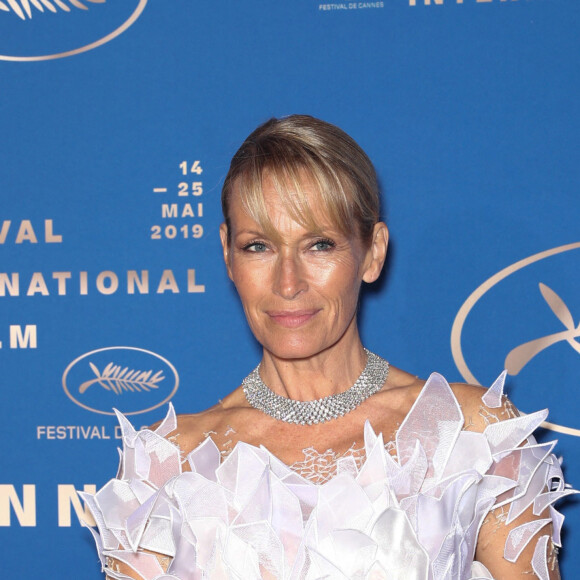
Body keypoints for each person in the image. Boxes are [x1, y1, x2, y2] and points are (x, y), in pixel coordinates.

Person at [83, 115, 575, 580]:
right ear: (228, 255)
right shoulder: (166, 462)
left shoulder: (471, 435)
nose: (288, 282)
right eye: (259, 246)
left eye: (319, 244)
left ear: (372, 253)